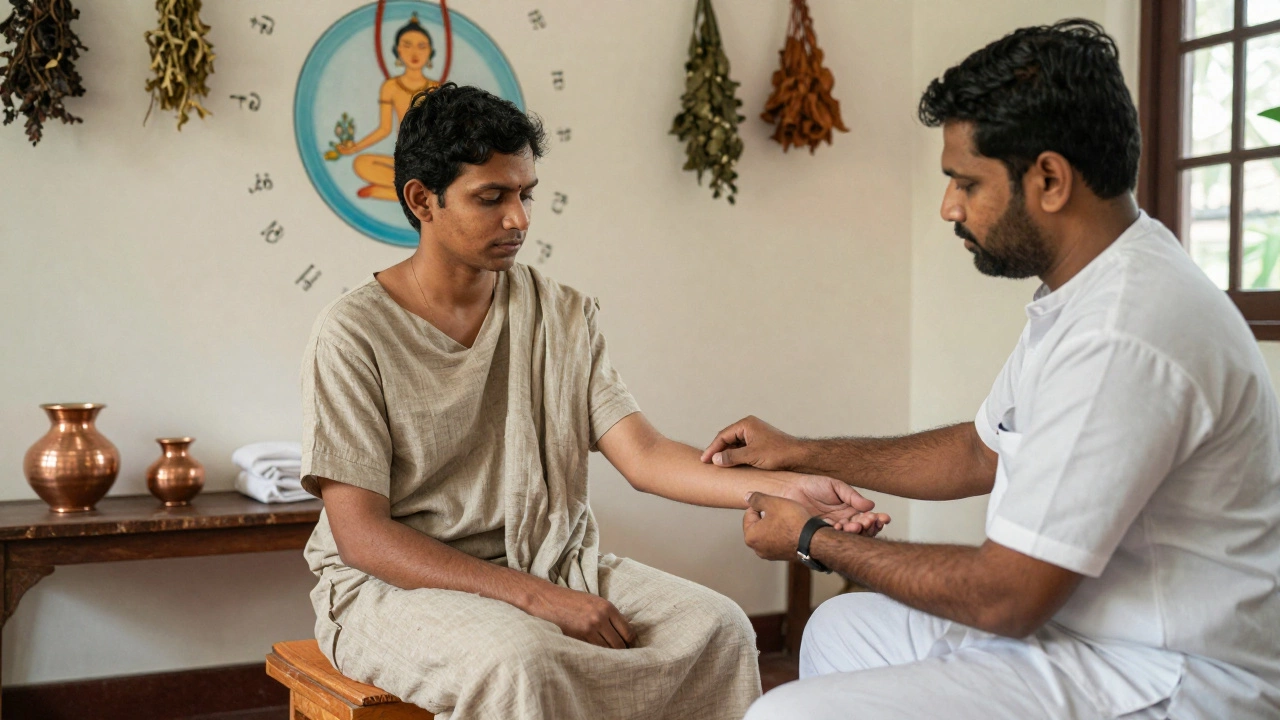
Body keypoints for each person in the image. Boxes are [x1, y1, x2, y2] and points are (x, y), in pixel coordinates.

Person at [709, 19, 1280, 720]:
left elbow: (1004, 596)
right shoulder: (1090, 287)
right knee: (842, 630)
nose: (949, 206)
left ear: (1048, 179)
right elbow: (981, 450)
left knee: (782, 715)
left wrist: (810, 539)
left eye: (965, 182)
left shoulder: (1125, 332)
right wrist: (802, 450)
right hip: (1075, 632)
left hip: (1165, 673)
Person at [298, 83, 888, 720]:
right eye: (491, 197)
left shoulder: (561, 313)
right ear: (422, 200)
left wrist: (788, 489)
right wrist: (532, 598)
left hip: (551, 559)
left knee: (718, 628)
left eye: (526, 194)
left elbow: (645, 454)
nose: (519, 218)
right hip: (390, 589)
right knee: (521, 660)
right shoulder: (353, 333)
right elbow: (361, 537)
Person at [335, 14, 441, 200]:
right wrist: (354, 148)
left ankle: (389, 192)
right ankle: (414, 194)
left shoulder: (435, 88)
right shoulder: (390, 87)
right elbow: (384, 129)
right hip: (405, 160)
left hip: (430, 158)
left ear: (430, 52)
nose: (414, 52)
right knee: (361, 163)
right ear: (397, 50)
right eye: (407, 45)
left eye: (421, 46)